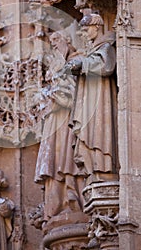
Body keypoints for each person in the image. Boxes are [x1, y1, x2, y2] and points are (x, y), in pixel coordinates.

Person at [34, 31, 85, 225]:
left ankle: (74, 197)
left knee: (68, 158)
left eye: (57, 40)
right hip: (54, 122)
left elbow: (76, 94)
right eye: (51, 42)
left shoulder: (77, 60)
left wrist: (56, 95)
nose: (54, 45)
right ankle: (54, 206)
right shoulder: (57, 65)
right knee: (54, 161)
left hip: (70, 121)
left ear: (68, 40)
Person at [64, 12, 118, 184]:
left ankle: (103, 167)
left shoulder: (107, 46)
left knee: (99, 133)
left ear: (97, 27)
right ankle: (93, 170)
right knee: (88, 132)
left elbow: (106, 66)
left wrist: (83, 64)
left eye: (87, 30)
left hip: (101, 98)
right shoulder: (94, 49)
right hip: (89, 98)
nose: (85, 34)